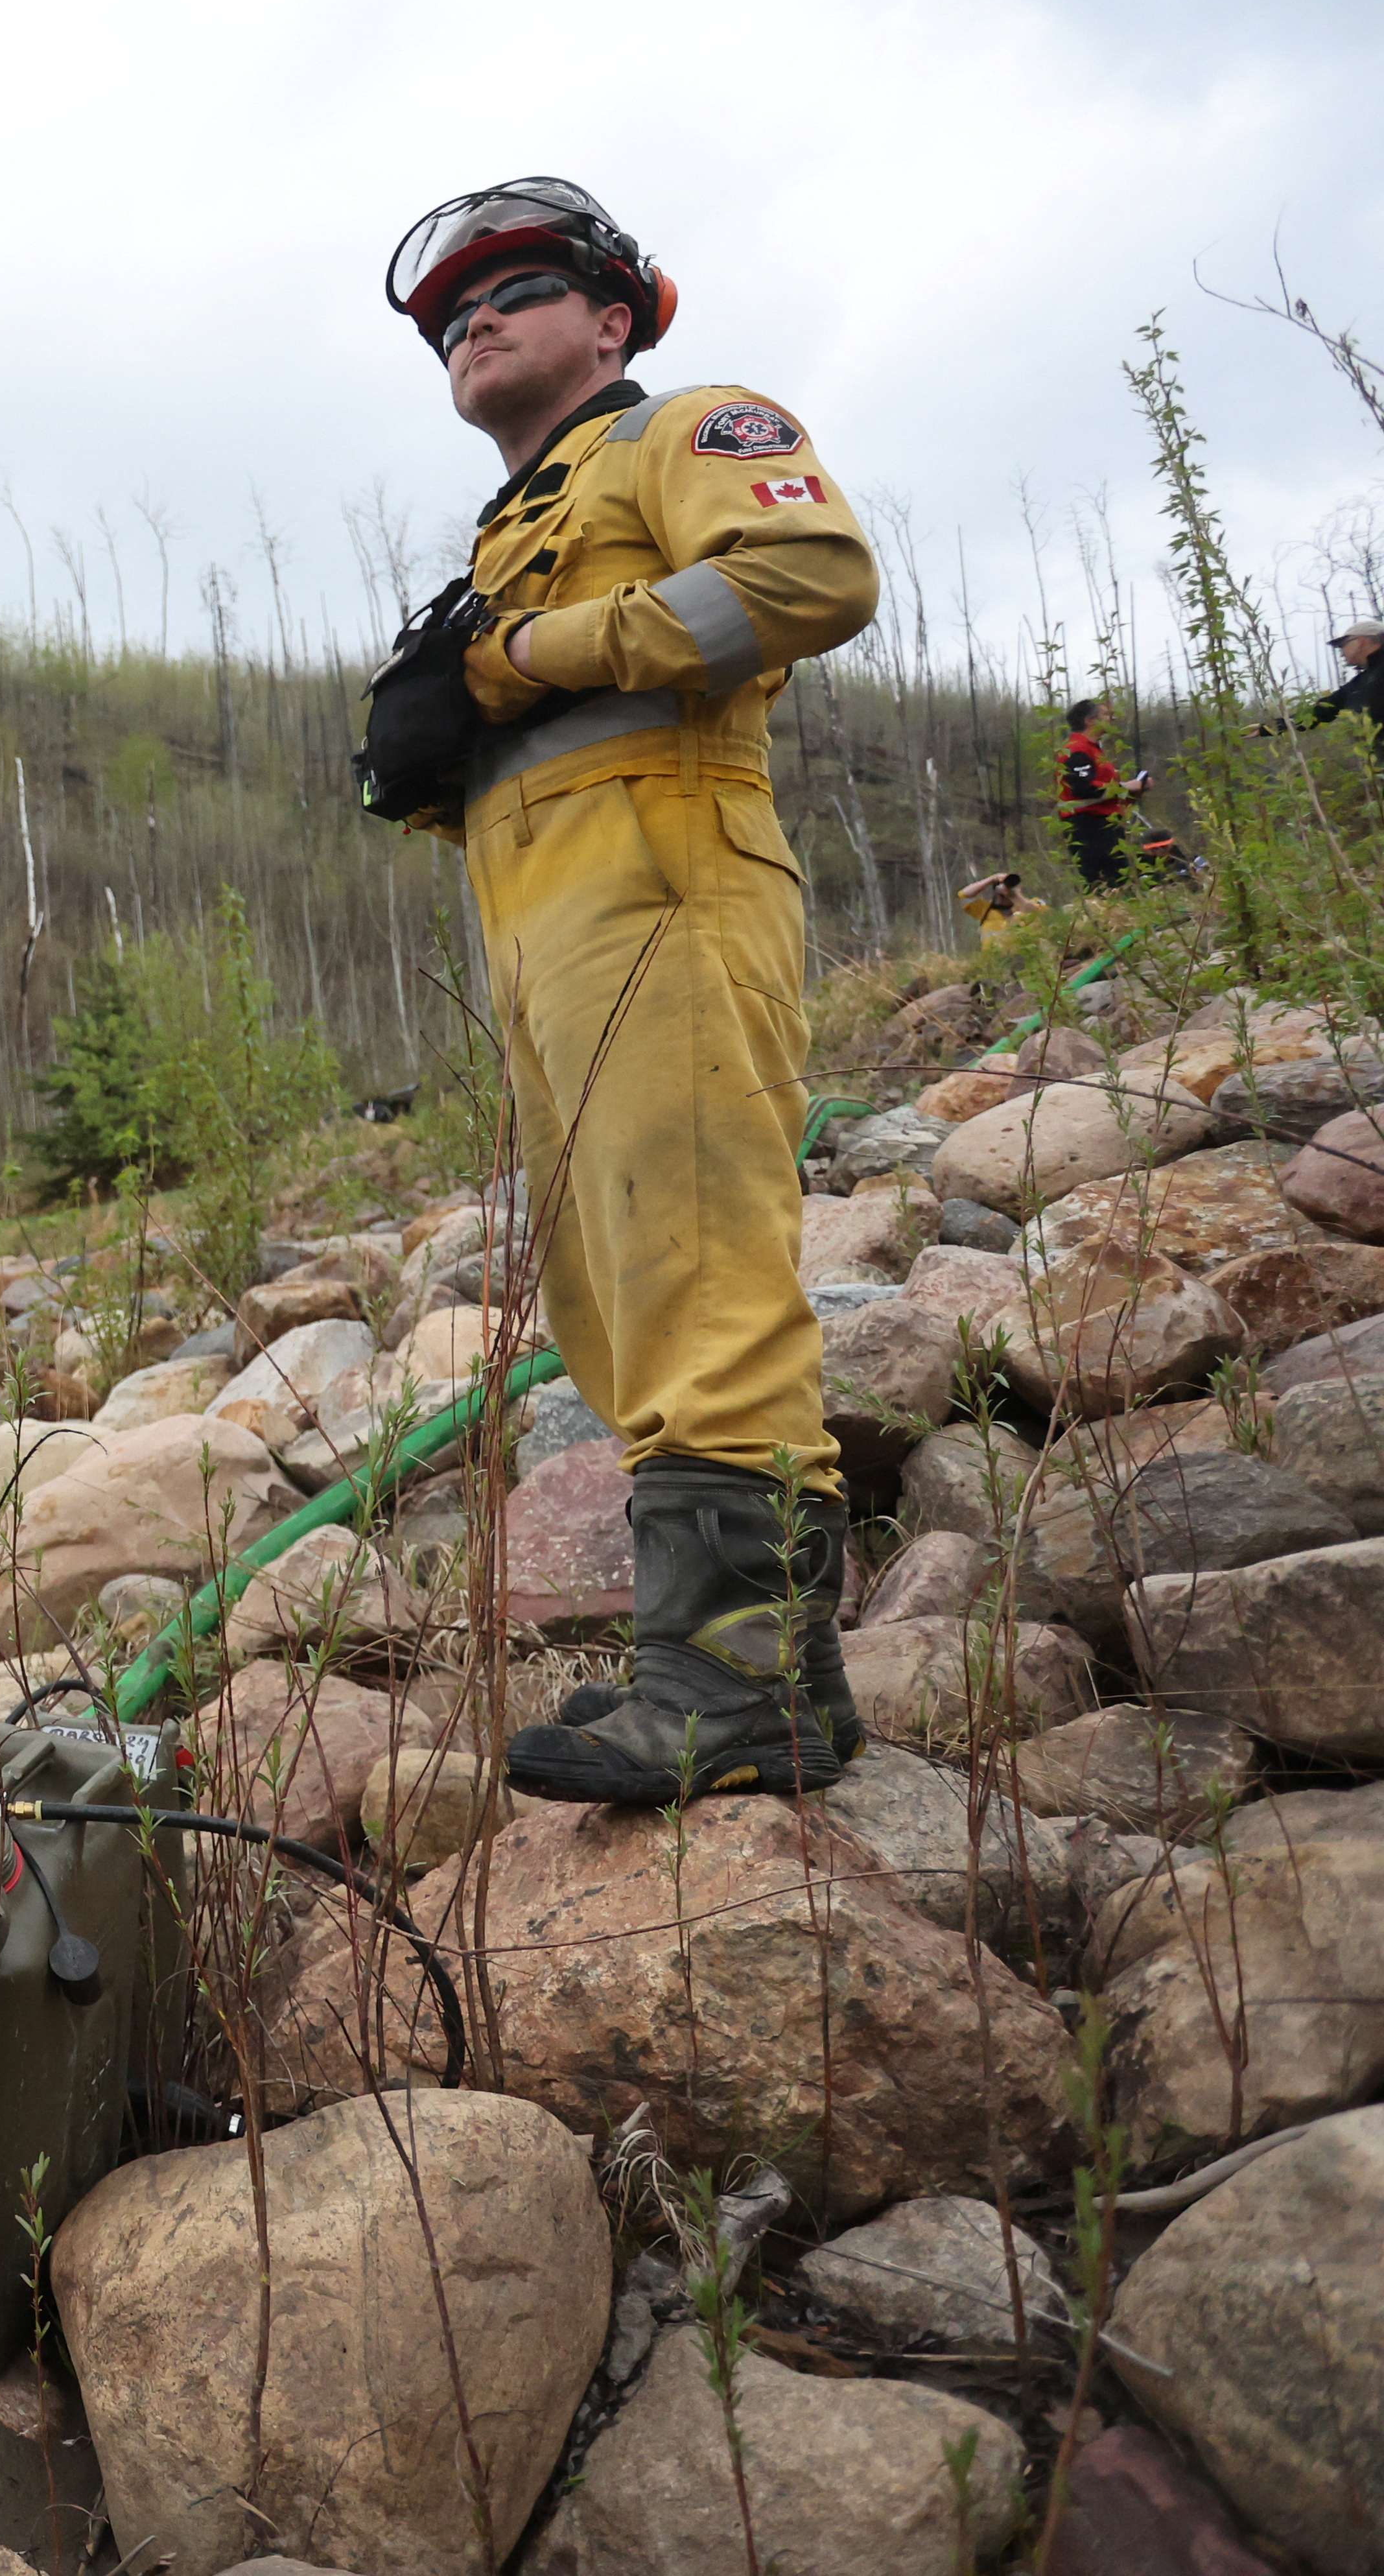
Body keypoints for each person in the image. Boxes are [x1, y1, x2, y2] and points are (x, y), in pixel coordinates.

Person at [374, 178, 880, 1805]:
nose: (474, 320)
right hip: (550, 926)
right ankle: (735, 1673)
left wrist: (527, 658)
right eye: (451, 315)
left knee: (697, 1274)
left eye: (512, 290)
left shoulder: (696, 429)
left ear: (614, 319)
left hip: (670, 885)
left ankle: (735, 1694)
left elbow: (810, 577)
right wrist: (442, 745)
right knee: (614, 1301)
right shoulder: (505, 530)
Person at [1054, 697, 1162, 887]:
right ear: (1090, 721)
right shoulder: (1076, 750)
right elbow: (1084, 789)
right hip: (1089, 828)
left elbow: (1107, 796)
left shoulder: (1094, 751)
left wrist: (1137, 790)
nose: (1111, 718)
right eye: (1105, 714)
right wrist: (1127, 786)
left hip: (1106, 825)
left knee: (1119, 881)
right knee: (1103, 885)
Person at [1252, 618, 1384, 736]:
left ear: (1361, 641)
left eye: (1343, 645)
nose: (1342, 652)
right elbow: (1324, 710)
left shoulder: (1374, 676)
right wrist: (1270, 728)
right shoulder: (1362, 682)